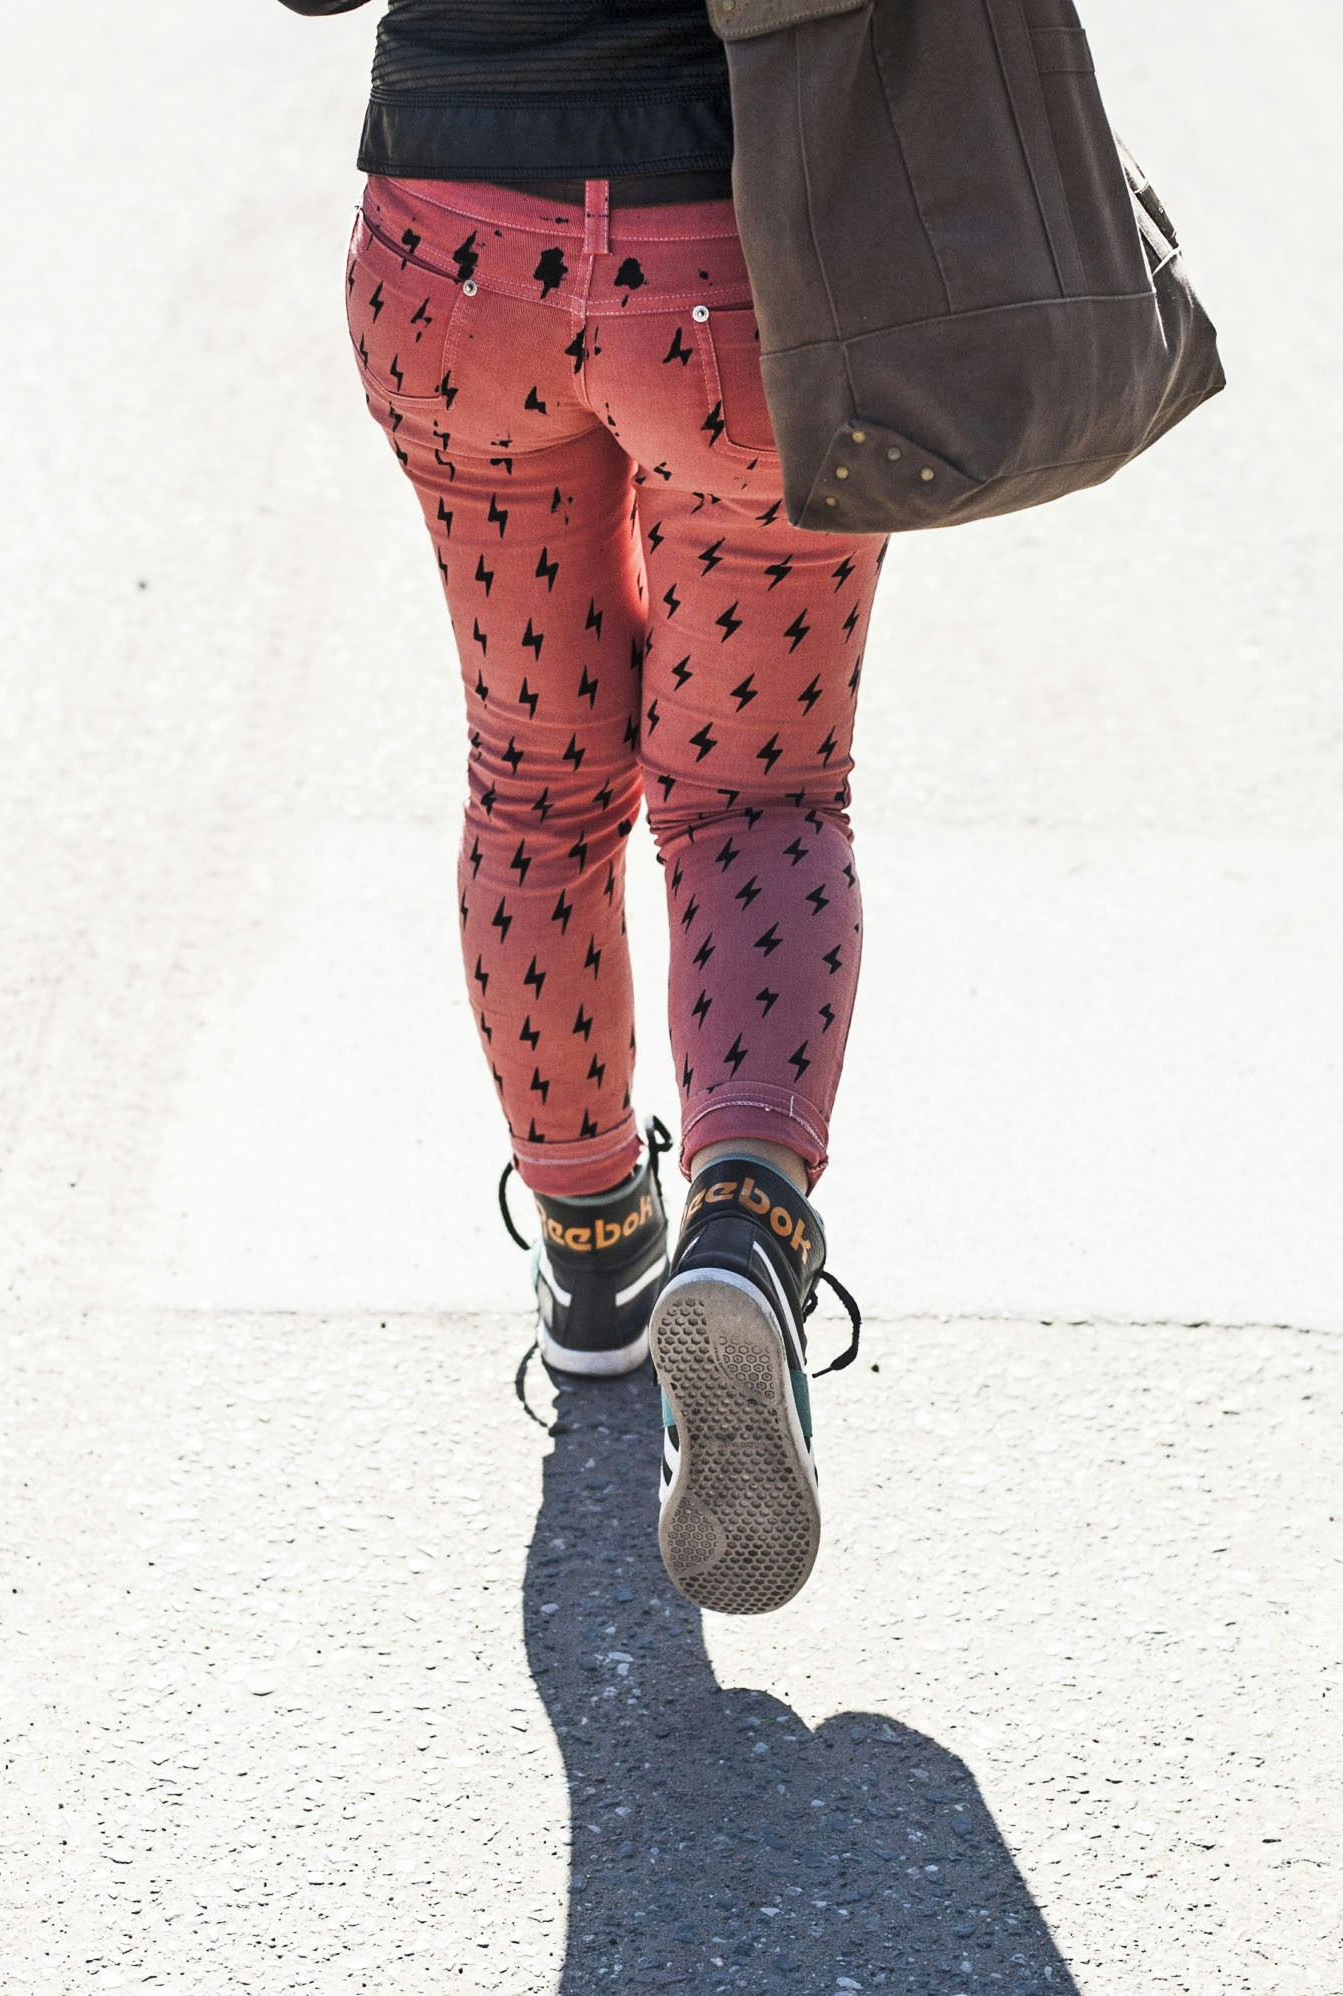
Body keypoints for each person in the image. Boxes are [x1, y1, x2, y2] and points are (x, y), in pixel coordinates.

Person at [284, 0, 878, 1618]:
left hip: (453, 250)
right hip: (745, 254)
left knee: (536, 780)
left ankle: (598, 1241)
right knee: (758, 792)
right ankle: (746, 1228)